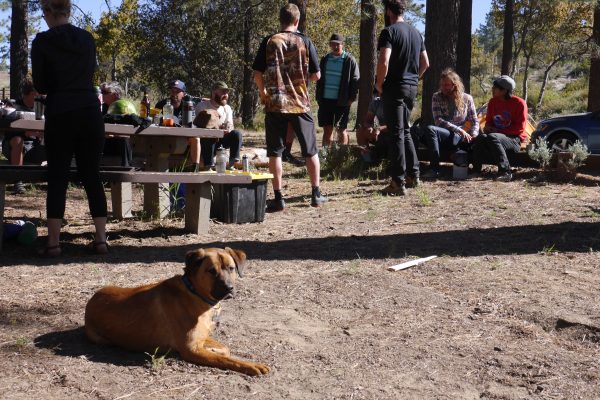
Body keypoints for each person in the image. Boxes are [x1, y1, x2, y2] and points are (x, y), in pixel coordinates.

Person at [31, 0, 108, 257]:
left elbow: (41, 84)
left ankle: (53, 243)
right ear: (69, 11)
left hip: (61, 110)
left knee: (58, 177)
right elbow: (89, 73)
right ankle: (101, 240)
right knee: (91, 175)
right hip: (89, 110)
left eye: (44, 13)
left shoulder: (42, 41)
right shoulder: (87, 39)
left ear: (50, 12)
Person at [252, 3, 327, 211]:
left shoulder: (269, 41)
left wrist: (263, 92)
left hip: (275, 103)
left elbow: (257, 73)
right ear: (297, 20)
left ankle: (278, 198)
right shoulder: (305, 41)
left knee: (275, 152)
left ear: (280, 20)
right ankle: (315, 194)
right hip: (300, 104)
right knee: (310, 150)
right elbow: (316, 75)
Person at [375, 0, 429, 196]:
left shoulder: (389, 31)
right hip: (411, 88)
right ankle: (413, 175)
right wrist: (414, 79)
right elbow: (425, 63)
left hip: (394, 88)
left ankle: (398, 181)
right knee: (405, 130)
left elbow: (383, 60)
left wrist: (380, 84)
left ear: (389, 11)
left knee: (396, 133)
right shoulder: (416, 33)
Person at [420, 69, 479, 179]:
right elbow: (438, 120)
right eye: (442, 85)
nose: (444, 88)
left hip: (461, 137)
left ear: (455, 85)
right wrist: (458, 129)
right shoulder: (437, 97)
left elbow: (474, 120)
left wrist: (474, 134)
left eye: (447, 85)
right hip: (448, 134)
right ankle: (434, 169)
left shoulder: (467, 98)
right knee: (429, 129)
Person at [471, 75, 527, 182]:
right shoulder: (493, 102)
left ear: (504, 90)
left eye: (495, 87)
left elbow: (519, 129)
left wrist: (497, 131)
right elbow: (489, 122)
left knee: (493, 137)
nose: (492, 89)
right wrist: (487, 128)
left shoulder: (519, 103)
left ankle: (505, 172)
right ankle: (476, 170)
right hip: (495, 137)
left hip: (514, 139)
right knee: (481, 137)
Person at [1, 77, 46, 194]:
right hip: (13, 146)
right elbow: (7, 125)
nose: (38, 97)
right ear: (29, 94)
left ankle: (57, 177)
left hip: (34, 147)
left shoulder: (41, 107)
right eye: (35, 94)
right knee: (17, 140)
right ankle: (18, 182)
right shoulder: (12, 105)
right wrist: (26, 132)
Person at [316, 33, 360, 147]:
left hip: (342, 101)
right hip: (325, 101)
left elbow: (355, 81)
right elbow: (319, 80)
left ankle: (342, 155)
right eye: (333, 44)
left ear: (342, 45)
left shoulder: (349, 60)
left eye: (338, 44)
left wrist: (351, 98)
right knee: (327, 129)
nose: (335, 47)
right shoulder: (325, 59)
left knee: (341, 129)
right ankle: (326, 155)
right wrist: (318, 97)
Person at [196, 81, 243, 170]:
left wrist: (228, 127)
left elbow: (230, 125)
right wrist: (217, 128)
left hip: (221, 140)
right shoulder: (202, 106)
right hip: (206, 142)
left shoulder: (227, 108)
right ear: (214, 93)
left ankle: (232, 163)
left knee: (237, 134)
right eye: (223, 92)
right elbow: (201, 126)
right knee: (209, 135)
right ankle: (208, 165)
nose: (226, 95)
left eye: (227, 92)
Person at [155, 80, 202, 169]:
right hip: (165, 136)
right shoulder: (162, 104)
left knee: (196, 138)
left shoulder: (188, 105)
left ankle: (195, 168)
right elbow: (155, 121)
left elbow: (191, 124)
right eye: (172, 91)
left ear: (183, 94)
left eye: (177, 91)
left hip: (184, 138)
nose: (174, 93)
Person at [99, 81, 134, 167]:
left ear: (115, 94)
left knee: (124, 140)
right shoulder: (102, 108)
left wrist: (115, 135)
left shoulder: (125, 107)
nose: (102, 95)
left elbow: (130, 129)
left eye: (105, 92)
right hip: (104, 143)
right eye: (101, 92)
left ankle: (125, 172)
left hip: (121, 143)